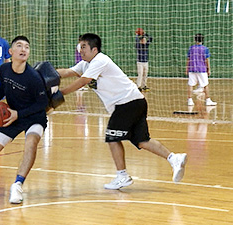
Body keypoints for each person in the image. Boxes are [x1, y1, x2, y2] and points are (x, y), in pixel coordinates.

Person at [57, 33, 187, 190]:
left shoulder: (100, 60)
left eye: (84, 47)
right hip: (135, 101)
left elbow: (83, 81)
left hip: (127, 103)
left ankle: (122, 175)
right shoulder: (85, 65)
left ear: (94, 49)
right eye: (79, 47)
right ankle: (174, 158)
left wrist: (61, 93)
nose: (80, 50)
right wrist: (41, 76)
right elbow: (66, 72)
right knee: (142, 141)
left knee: (112, 137)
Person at [0, 36, 49, 204]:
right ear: (10, 52)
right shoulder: (4, 69)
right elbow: (2, 90)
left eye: (27, 47)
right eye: (19, 46)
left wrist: (18, 114)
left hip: (34, 117)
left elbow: (42, 103)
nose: (23, 49)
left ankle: (18, 185)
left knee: (31, 144)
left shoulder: (33, 77)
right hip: (12, 115)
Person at [186, 34, 217, 106]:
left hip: (192, 68)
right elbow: (207, 60)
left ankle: (190, 100)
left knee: (190, 84)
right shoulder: (205, 49)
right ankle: (208, 100)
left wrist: (187, 68)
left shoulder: (191, 48)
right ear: (202, 40)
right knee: (205, 85)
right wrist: (208, 69)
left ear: (195, 39)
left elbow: (188, 59)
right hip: (202, 69)